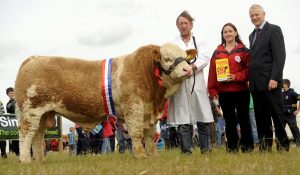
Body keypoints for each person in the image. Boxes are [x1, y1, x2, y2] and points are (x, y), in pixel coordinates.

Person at [168, 11, 214, 154]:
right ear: (177, 26)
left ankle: (206, 150)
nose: (183, 26)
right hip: (180, 85)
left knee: (202, 116)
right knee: (183, 119)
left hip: (196, 82)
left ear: (191, 24)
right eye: (180, 23)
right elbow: (169, 61)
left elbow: (205, 58)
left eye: (185, 23)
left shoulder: (200, 40)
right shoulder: (173, 44)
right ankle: (186, 151)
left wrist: (192, 68)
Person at [248, 4, 290, 152]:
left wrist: (275, 78)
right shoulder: (251, 35)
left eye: (256, 14)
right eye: (251, 15)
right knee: (261, 117)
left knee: (276, 115)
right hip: (255, 84)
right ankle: (265, 146)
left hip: (270, 82)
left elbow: (280, 57)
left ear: (263, 14)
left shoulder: (274, 30)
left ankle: (283, 145)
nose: (254, 17)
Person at [208, 23, 254, 152]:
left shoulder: (244, 50)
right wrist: (212, 90)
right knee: (229, 121)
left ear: (235, 33)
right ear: (222, 35)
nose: (228, 33)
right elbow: (212, 72)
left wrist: (237, 76)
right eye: (225, 32)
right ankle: (232, 148)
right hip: (224, 93)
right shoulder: (217, 52)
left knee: (244, 120)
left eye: (230, 31)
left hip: (241, 91)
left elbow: (250, 70)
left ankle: (247, 147)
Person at [282, 79, 300, 146]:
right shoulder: (282, 93)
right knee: (281, 129)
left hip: (291, 115)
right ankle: (284, 144)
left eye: (282, 83)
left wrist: (298, 110)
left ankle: (298, 144)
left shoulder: (292, 92)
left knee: (294, 129)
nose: (281, 85)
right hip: (283, 115)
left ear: (286, 84)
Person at [6, 87, 20, 156]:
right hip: (14, 123)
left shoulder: (19, 100)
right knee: (15, 139)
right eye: (10, 93)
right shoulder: (8, 104)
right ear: (8, 95)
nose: (12, 94)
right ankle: (17, 153)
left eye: (13, 92)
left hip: (21, 121)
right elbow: (9, 114)